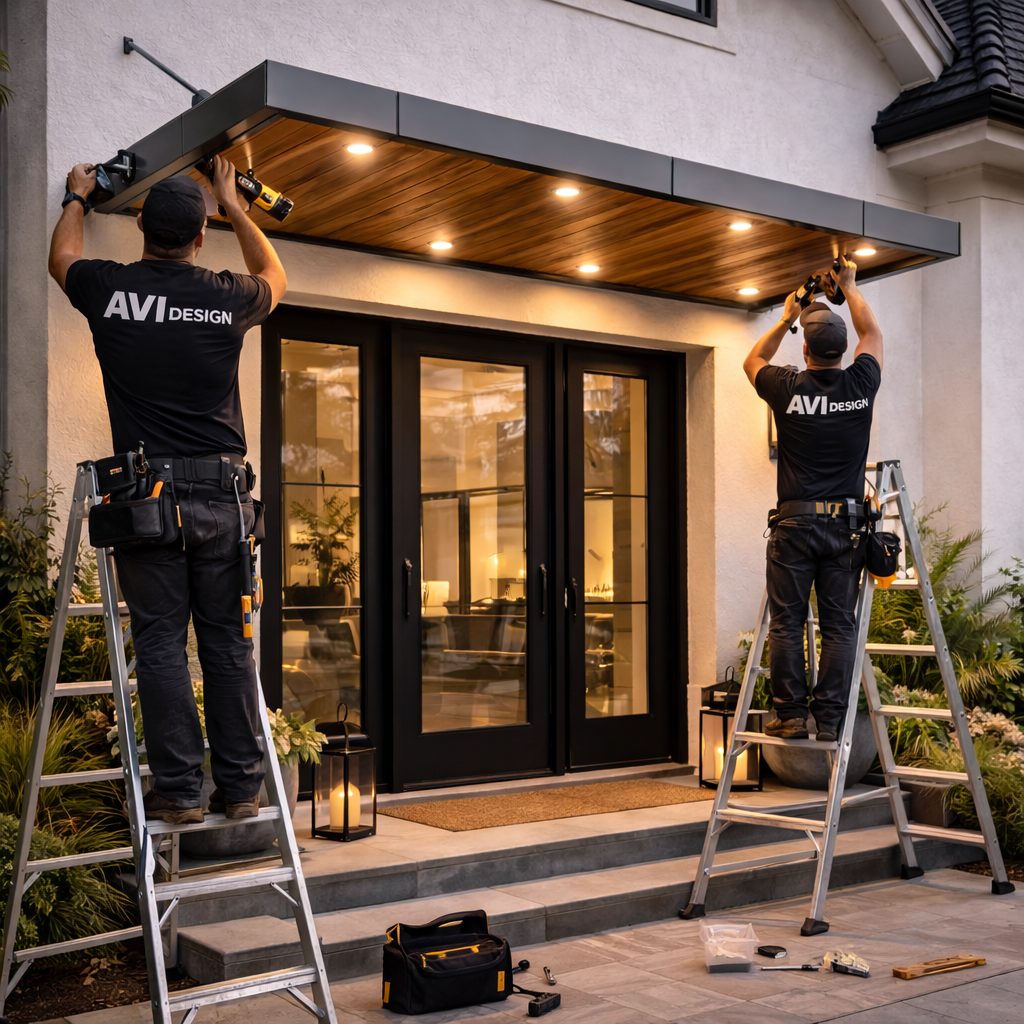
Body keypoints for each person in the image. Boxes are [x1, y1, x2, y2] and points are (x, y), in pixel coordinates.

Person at [48, 156, 287, 823]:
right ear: (200, 236)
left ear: (141, 229)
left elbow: (62, 256)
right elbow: (276, 277)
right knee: (228, 644)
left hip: (147, 495)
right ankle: (241, 789)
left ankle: (180, 792)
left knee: (159, 641)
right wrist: (236, 203)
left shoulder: (112, 289)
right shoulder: (225, 294)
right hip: (222, 496)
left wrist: (77, 198)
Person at [742, 254, 883, 743]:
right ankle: (829, 720)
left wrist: (785, 317)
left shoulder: (788, 387)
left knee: (788, 621)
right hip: (845, 530)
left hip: (795, 527)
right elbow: (874, 336)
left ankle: (790, 715)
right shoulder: (861, 384)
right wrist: (850, 286)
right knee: (839, 628)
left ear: (806, 353)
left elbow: (751, 360)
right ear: (843, 351)